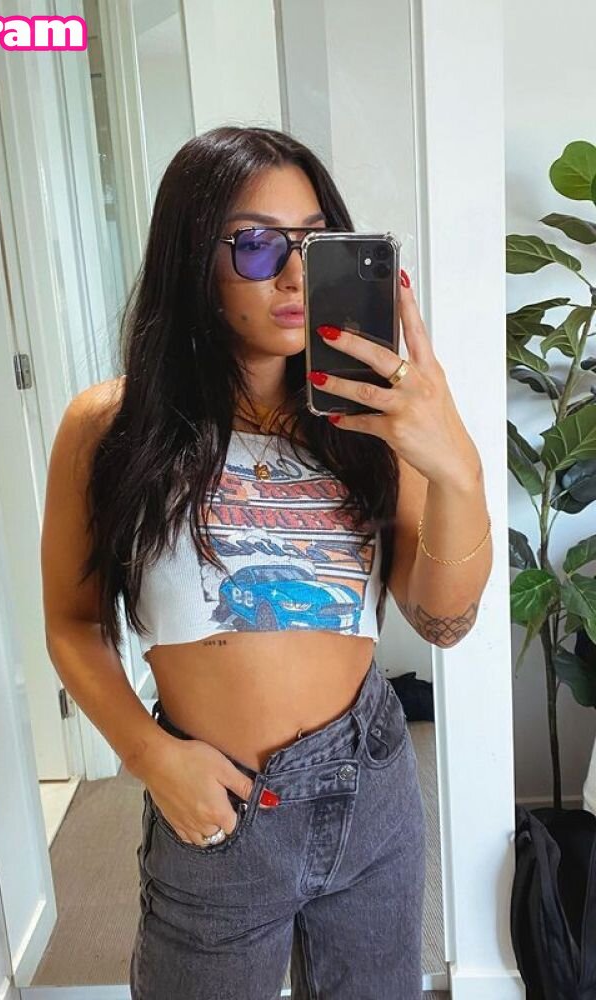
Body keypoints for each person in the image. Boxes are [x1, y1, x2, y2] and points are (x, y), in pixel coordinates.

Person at [41, 125, 493, 1000]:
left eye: (314, 244)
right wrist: (150, 755)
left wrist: (456, 467)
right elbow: (71, 622)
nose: (293, 275)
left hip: (370, 788)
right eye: (256, 245)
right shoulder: (110, 427)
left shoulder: (370, 425)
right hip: (220, 804)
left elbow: (444, 619)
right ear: (192, 259)